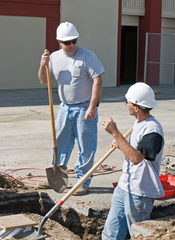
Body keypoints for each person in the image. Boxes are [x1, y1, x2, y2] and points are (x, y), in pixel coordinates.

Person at [37, 21, 105, 195]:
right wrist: (42, 65)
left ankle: (83, 181)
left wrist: (92, 106)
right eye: (68, 42)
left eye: (74, 40)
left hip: (84, 107)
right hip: (65, 108)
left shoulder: (87, 56)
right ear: (59, 42)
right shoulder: (54, 58)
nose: (72, 45)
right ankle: (59, 177)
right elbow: (44, 81)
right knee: (60, 144)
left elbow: (98, 79)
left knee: (86, 146)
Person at [101, 82, 165, 239]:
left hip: (140, 193)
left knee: (138, 234)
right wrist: (121, 143)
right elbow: (134, 150)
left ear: (136, 107)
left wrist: (116, 133)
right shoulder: (139, 122)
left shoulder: (153, 131)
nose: (126, 104)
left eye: (128, 102)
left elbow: (136, 158)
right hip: (125, 186)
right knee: (111, 233)